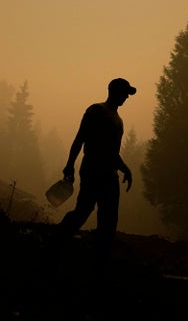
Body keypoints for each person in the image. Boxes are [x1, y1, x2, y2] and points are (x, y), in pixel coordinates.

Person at [55, 77, 136, 264]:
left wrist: (125, 169)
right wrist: (69, 165)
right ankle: (57, 242)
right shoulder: (96, 111)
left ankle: (100, 256)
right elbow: (80, 139)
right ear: (113, 91)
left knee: (109, 218)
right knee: (83, 211)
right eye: (125, 93)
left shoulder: (118, 120)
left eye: (127, 94)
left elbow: (113, 152)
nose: (126, 97)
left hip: (109, 174)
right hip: (92, 171)